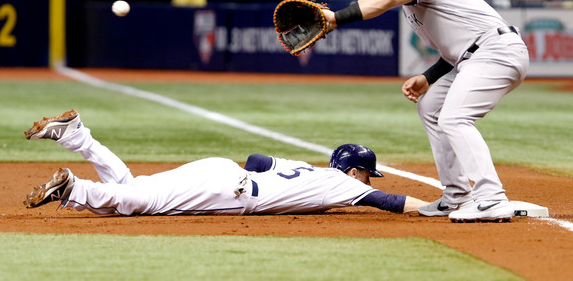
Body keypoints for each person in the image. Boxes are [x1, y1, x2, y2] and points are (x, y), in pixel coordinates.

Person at [322, 0, 529, 222]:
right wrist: (428, 77)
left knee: (454, 117)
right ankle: (456, 196)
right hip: (473, 57)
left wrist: (336, 17)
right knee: (431, 105)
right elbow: (457, 47)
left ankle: (491, 198)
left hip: (497, 51)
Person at [22, 110, 428, 216]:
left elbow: (256, 158)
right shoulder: (346, 186)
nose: (365, 181)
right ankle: (75, 188)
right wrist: (437, 208)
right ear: (356, 172)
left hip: (222, 170)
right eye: (365, 174)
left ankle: (77, 136)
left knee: (135, 187)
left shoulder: (310, 169)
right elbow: (390, 202)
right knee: (142, 204)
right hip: (225, 190)